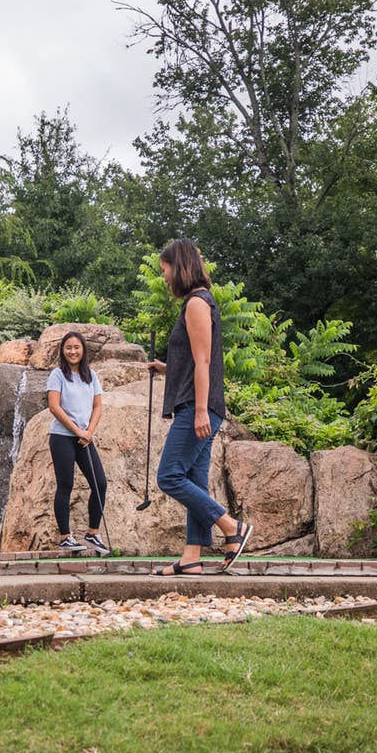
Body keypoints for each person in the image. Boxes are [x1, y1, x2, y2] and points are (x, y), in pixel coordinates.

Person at [145, 239, 255, 575]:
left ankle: (231, 527)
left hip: (198, 404)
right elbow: (194, 360)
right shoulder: (198, 302)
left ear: (178, 267)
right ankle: (191, 557)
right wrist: (166, 368)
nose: (164, 278)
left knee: (169, 476)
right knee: (194, 479)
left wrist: (201, 410)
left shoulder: (196, 303)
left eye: (164, 271)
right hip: (198, 401)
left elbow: (205, 360)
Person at [46, 331, 110, 556]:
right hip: (62, 437)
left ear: (83, 350)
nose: (73, 351)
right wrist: (77, 430)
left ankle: (93, 532)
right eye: (68, 348)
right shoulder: (57, 375)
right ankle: (65, 537)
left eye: (76, 347)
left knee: (100, 483)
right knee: (66, 485)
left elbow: (98, 406)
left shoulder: (90, 375)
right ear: (63, 351)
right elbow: (54, 406)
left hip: (85, 438)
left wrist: (89, 432)